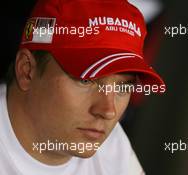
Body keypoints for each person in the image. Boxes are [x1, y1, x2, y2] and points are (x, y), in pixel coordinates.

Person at [0, 0, 165, 174]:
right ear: (27, 71)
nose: (108, 111)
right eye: (86, 80)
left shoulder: (111, 145)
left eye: (123, 87)